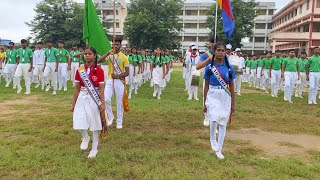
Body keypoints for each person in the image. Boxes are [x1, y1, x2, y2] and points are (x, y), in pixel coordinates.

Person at [203, 41, 236, 160]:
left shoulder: (229, 68)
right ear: (214, 52)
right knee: (213, 118)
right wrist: (204, 103)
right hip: (212, 95)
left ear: (225, 52)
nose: (221, 52)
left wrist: (233, 103)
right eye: (218, 50)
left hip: (225, 96)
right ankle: (212, 138)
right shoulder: (210, 67)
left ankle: (219, 149)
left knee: (223, 122)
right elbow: (206, 86)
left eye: (223, 50)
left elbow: (232, 86)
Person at [71, 47, 105, 158]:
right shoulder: (79, 70)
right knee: (79, 118)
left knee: (95, 123)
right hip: (82, 96)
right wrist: (73, 104)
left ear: (94, 56)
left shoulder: (99, 70)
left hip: (94, 98)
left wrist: (102, 103)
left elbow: (101, 88)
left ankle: (94, 148)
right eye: (85, 54)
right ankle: (85, 137)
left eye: (89, 54)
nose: (87, 55)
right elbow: (76, 88)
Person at [98, 39, 129, 129]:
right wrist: (108, 53)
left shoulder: (124, 57)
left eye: (117, 44)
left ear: (120, 45)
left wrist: (118, 75)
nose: (115, 46)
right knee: (106, 99)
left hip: (119, 80)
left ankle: (119, 122)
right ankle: (110, 117)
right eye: (113, 44)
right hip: (110, 80)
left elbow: (127, 72)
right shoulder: (110, 56)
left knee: (119, 102)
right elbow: (99, 61)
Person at [196, 35, 215, 127]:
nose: (214, 44)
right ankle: (206, 117)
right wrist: (208, 59)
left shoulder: (223, 54)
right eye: (212, 42)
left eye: (216, 42)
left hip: (219, 82)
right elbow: (198, 66)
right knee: (206, 98)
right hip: (208, 80)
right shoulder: (206, 55)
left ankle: (214, 120)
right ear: (210, 44)